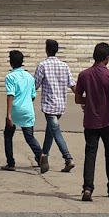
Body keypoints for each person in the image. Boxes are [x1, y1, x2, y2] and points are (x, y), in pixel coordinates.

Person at [74, 41, 109, 201]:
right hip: (107, 120)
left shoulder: (84, 75)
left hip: (90, 121)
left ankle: (87, 188)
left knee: (90, 154)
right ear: (107, 58)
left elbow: (78, 99)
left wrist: (90, 101)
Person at [33, 38, 75, 175]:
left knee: (55, 131)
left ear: (46, 50)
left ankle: (68, 158)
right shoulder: (64, 66)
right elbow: (72, 84)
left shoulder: (43, 65)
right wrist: (83, 97)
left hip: (49, 105)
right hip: (61, 104)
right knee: (50, 131)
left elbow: (35, 85)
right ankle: (43, 156)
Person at [3, 49, 46, 170]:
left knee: (8, 135)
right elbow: (33, 95)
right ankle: (40, 155)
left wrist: (8, 114)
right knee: (29, 137)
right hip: (28, 110)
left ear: (11, 63)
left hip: (15, 110)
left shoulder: (10, 77)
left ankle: (10, 163)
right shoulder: (30, 77)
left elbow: (10, 95)